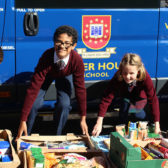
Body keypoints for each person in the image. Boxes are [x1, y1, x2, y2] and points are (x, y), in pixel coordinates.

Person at [16, 25, 88, 139]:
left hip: (65, 75)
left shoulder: (77, 60)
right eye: (58, 42)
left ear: (74, 45)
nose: (62, 46)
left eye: (67, 43)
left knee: (64, 104)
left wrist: (83, 117)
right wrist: (22, 120)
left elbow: (80, 89)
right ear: (54, 42)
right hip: (48, 74)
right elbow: (33, 89)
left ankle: (57, 137)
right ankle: (24, 135)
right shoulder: (47, 56)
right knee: (34, 103)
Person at [92, 53, 161, 136]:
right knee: (123, 116)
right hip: (125, 96)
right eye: (125, 73)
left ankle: (146, 125)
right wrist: (99, 122)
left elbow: (153, 99)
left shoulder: (145, 77)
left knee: (138, 115)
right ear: (121, 70)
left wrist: (157, 124)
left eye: (131, 73)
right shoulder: (118, 76)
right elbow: (107, 98)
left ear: (138, 71)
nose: (127, 76)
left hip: (140, 97)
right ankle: (122, 134)